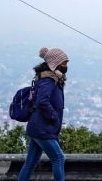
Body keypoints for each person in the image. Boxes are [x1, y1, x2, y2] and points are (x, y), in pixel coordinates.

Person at [18, 47, 69, 181]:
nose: (66, 66)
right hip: (43, 128)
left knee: (30, 163)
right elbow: (42, 101)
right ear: (55, 64)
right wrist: (54, 116)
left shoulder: (51, 78)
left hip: (38, 127)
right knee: (59, 158)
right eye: (64, 63)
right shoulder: (48, 79)